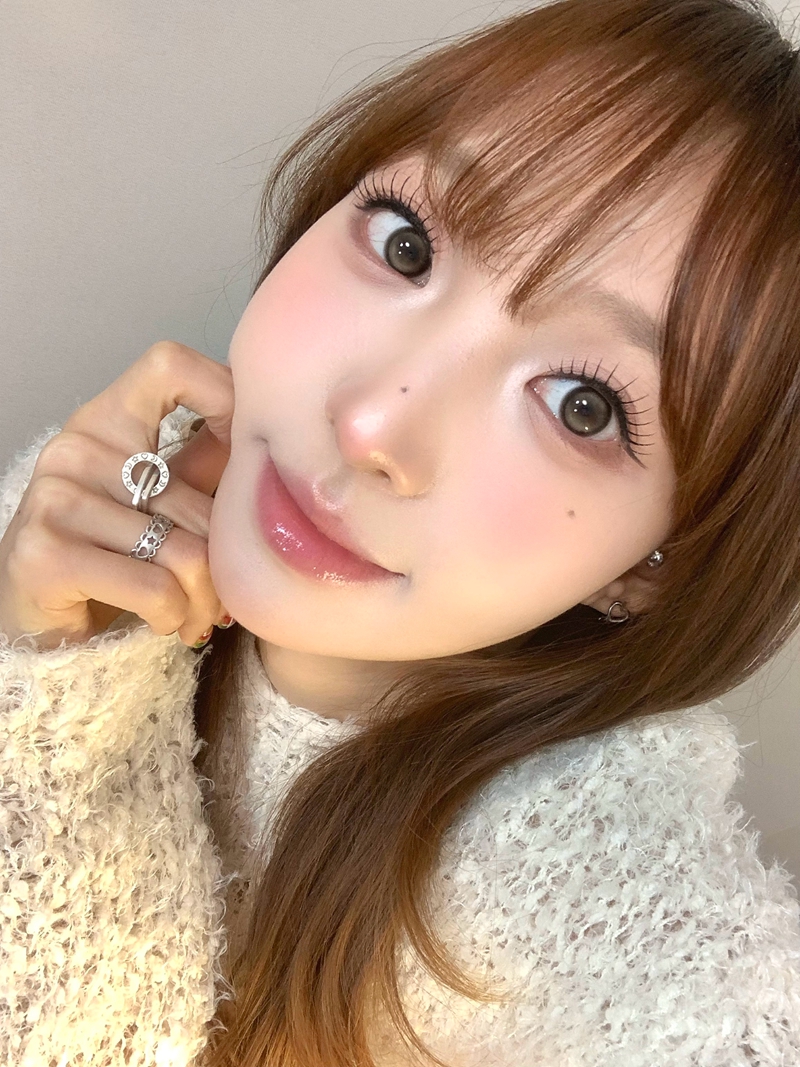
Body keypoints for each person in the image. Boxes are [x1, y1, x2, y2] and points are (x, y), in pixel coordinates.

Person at [1, 0, 800, 1063]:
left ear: (657, 564)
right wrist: (56, 681)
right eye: (406, 242)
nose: (373, 425)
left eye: (582, 406)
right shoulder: (102, 510)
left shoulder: (592, 887)